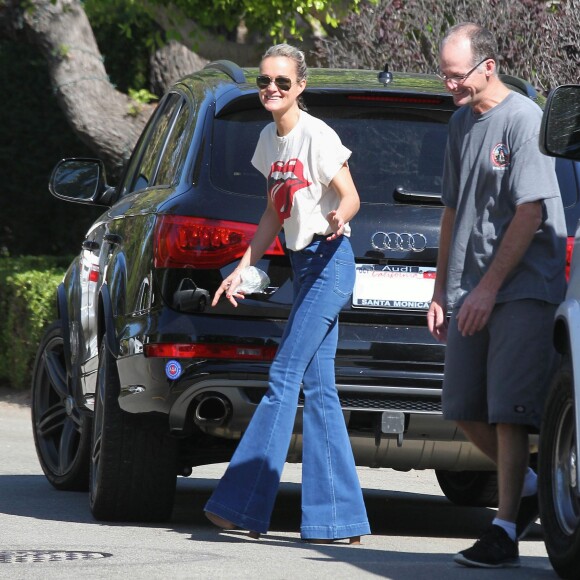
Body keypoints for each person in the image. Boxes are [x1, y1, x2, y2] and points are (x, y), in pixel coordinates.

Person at [204, 43, 371, 544]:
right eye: (264, 82)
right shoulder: (268, 140)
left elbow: (351, 194)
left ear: (300, 86)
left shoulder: (316, 135)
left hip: (330, 266)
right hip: (304, 265)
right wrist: (242, 267)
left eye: (281, 82)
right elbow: (274, 213)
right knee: (319, 390)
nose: (270, 89)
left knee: (283, 373)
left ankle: (240, 504)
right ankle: (336, 521)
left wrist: (340, 217)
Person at [427, 23, 566, 568]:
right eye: (444, 75)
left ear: (488, 67)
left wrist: (488, 288)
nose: (450, 86)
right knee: (462, 405)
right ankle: (530, 486)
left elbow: (531, 212)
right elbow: (452, 210)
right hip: (468, 287)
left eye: (456, 76)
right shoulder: (461, 122)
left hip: (521, 289)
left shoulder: (524, 120)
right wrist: (442, 288)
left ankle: (504, 528)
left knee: (509, 411)